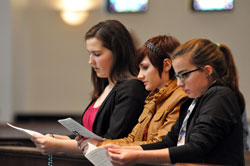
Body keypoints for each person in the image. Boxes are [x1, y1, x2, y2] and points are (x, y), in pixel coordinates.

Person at [103, 38, 245, 166]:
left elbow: (196, 149)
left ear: (207, 71)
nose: (178, 83)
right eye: (177, 76)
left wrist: (137, 156)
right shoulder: (195, 100)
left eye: (184, 75)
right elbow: (169, 142)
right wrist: (120, 148)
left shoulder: (220, 95)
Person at [30, 20, 148, 155]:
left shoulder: (131, 88)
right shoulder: (105, 86)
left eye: (97, 54)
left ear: (118, 53)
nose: (90, 61)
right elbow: (90, 137)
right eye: (89, 53)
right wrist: (61, 138)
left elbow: (111, 143)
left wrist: (59, 145)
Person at [76, 35, 187, 150]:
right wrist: (99, 144)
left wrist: (101, 145)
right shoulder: (152, 98)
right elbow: (132, 139)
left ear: (166, 65)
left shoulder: (179, 98)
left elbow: (160, 144)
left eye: (145, 67)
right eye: (139, 69)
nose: (139, 75)